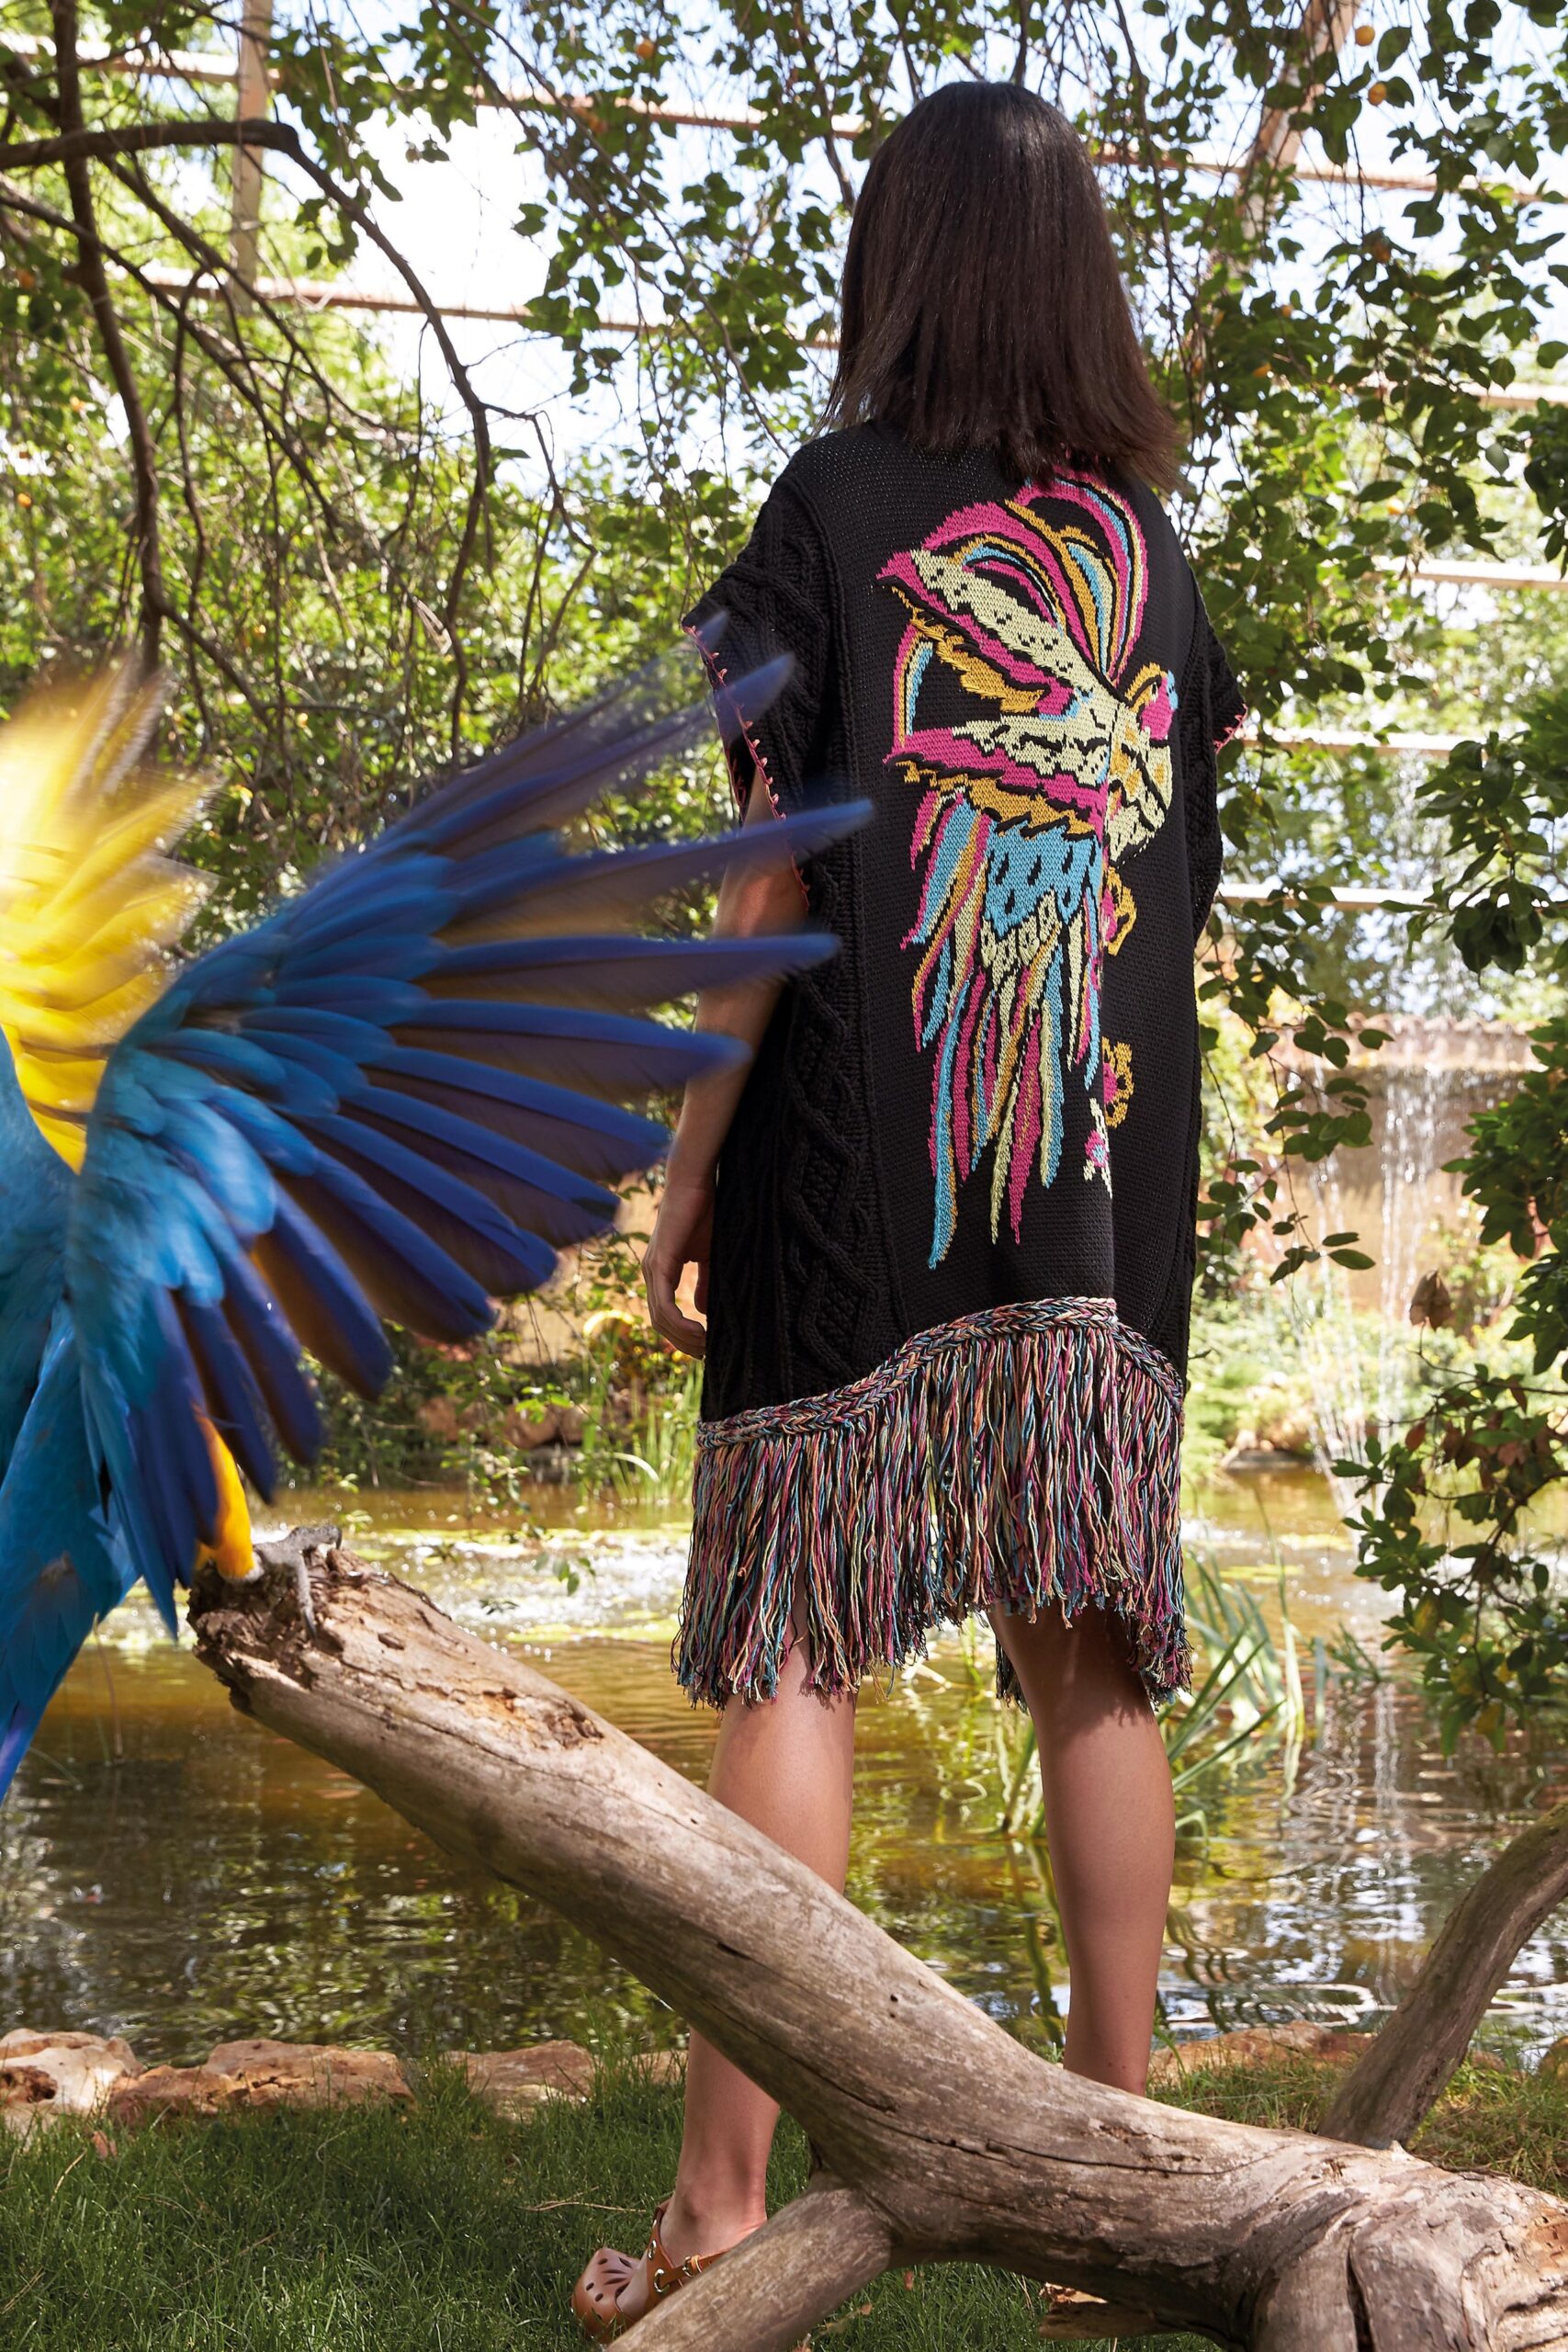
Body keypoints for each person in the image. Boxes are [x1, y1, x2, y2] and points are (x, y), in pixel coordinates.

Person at [573, 74, 1244, 2340]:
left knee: (791, 1644)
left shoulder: (831, 509)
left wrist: (679, 1167)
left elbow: (770, 882)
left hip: (858, 1163)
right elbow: (1182, 900)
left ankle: (718, 2209)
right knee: (1090, 1648)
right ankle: (1113, 2198)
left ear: (899, 267)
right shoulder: (1159, 561)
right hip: (1086, 1191)